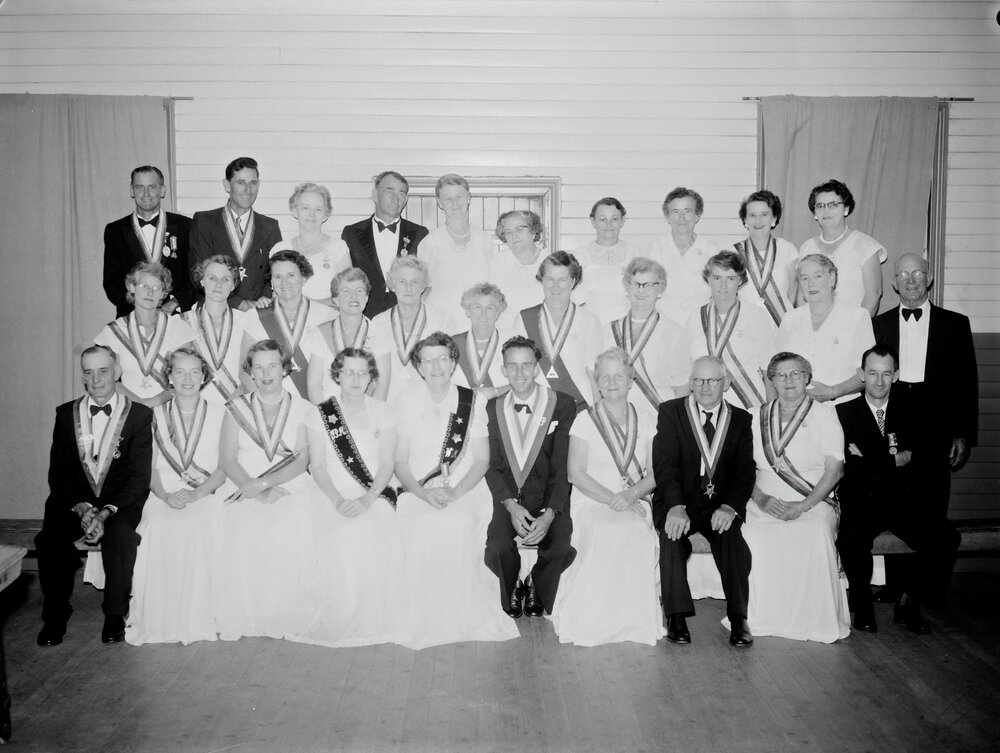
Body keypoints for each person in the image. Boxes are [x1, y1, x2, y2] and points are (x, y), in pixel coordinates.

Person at [393, 332, 519, 649]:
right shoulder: (406, 400)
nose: (436, 366)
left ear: (453, 362)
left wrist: (455, 492)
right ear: (418, 367)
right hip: (417, 489)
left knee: (457, 524)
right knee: (419, 525)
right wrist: (423, 495)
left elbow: (481, 460)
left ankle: (459, 613)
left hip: (465, 489)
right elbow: (400, 461)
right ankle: (422, 614)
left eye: (443, 358)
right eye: (427, 360)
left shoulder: (470, 400)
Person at [872, 253, 977, 606]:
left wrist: (962, 433)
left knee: (931, 506)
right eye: (904, 274)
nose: (911, 280)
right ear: (894, 283)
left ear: (929, 279)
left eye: (918, 273)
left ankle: (922, 591)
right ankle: (894, 584)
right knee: (893, 497)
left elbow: (967, 382)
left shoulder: (955, 323)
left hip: (938, 423)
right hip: (895, 416)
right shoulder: (878, 324)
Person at [835, 345, 961, 635]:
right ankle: (862, 603)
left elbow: (924, 461)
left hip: (902, 498)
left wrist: (870, 460)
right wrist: (896, 458)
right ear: (861, 375)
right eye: (872, 373)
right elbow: (849, 469)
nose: (879, 381)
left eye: (886, 374)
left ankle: (908, 601)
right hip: (862, 500)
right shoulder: (843, 414)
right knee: (851, 539)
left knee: (945, 538)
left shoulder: (913, 411)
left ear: (897, 375)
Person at [35, 345, 153, 646]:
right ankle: (55, 615)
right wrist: (83, 508)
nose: (97, 379)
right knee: (50, 540)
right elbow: (57, 473)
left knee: (121, 537)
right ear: (83, 377)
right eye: (89, 372)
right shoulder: (66, 414)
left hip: (119, 502)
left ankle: (115, 614)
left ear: (116, 372)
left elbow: (139, 478)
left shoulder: (139, 415)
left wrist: (104, 511)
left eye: (103, 371)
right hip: (74, 501)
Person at [288, 348, 402, 647]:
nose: (354, 378)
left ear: (371, 377)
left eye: (362, 372)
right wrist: (338, 501)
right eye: (348, 372)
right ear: (336, 374)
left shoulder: (385, 412)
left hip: (374, 492)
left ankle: (371, 614)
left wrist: (367, 500)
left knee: (369, 529)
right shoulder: (319, 413)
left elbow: (388, 465)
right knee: (338, 534)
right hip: (330, 493)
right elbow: (319, 466)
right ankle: (342, 612)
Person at [552, 348, 665, 646]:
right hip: (592, 500)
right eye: (605, 377)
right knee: (606, 530)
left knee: (636, 531)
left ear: (631, 380)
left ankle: (634, 620)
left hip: (635, 499)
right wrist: (612, 499)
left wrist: (630, 495)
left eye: (619, 376)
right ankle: (592, 617)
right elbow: (576, 474)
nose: (612, 382)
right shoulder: (585, 420)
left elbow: (657, 472)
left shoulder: (649, 418)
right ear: (597, 383)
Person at [214, 340, 323, 641]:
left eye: (272, 365)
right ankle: (252, 613)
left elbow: (302, 460)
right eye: (258, 367)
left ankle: (286, 611)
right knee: (244, 523)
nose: (265, 373)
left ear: (284, 368)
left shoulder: (303, 408)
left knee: (291, 520)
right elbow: (227, 459)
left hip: (290, 484)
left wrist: (266, 484)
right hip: (243, 483)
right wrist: (256, 491)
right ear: (249, 371)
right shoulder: (235, 407)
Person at [744, 352, 850, 643]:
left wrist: (804, 505)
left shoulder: (824, 414)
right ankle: (760, 618)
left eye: (795, 374)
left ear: (807, 378)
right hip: (764, 501)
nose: (788, 381)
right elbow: (742, 470)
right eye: (780, 375)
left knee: (814, 532)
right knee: (752, 535)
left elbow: (835, 470)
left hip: (813, 500)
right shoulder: (755, 417)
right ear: (772, 381)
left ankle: (818, 620)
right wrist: (761, 499)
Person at [125, 347, 228, 645]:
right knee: (157, 527)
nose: (187, 378)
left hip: (206, 493)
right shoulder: (152, 417)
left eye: (194, 371)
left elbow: (224, 468)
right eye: (179, 371)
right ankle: (158, 617)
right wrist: (166, 496)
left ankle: (200, 616)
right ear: (168, 376)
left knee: (198, 527)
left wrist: (196, 494)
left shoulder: (221, 414)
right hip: (163, 494)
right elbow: (149, 469)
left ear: (204, 377)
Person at [651, 356, 755, 647]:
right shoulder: (671, 412)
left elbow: (745, 472)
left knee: (733, 540)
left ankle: (738, 618)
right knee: (671, 537)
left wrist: (731, 506)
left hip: (718, 506)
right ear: (690, 382)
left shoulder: (741, 419)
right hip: (679, 501)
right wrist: (674, 506)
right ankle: (676, 616)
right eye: (697, 380)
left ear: (726, 383)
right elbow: (665, 464)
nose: (704, 386)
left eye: (711, 380)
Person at [484, 336, 577, 619]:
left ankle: (536, 582)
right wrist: (511, 506)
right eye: (513, 366)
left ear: (537, 367)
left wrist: (550, 514)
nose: (520, 373)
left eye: (527, 365)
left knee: (561, 546)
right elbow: (491, 465)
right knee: (497, 546)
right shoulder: (492, 408)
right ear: (503, 369)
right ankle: (512, 583)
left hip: (549, 497)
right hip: (510, 499)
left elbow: (563, 467)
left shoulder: (561, 404)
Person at [94, 261, 196, 408]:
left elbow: (186, 378)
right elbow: (106, 379)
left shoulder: (179, 329)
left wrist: (155, 402)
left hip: (170, 410)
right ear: (131, 287)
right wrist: (140, 405)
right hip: (127, 410)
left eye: (157, 288)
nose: (150, 293)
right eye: (144, 286)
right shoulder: (113, 332)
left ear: (163, 293)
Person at [513, 251, 603, 413]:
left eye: (562, 280)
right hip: (538, 407)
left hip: (580, 407)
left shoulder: (589, 320)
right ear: (542, 280)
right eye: (550, 279)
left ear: (573, 281)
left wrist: (598, 414)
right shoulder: (524, 319)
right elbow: (519, 370)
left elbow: (593, 374)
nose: (555, 286)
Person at [188, 157, 284, 311]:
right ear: (227, 185)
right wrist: (239, 303)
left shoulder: (270, 226)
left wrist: (264, 298)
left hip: (257, 309)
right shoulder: (205, 221)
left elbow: (275, 271)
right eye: (241, 183)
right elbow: (199, 272)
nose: (248, 190)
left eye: (253, 183)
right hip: (216, 308)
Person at [685, 251, 777, 411]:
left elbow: (768, 369)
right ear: (708, 279)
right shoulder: (695, 317)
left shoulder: (756, 315)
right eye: (717, 278)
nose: (723, 285)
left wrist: (771, 413)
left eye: (730, 278)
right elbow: (688, 368)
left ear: (740, 280)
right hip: (705, 406)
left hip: (749, 404)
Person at [776, 254, 874, 404]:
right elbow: (777, 370)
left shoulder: (857, 317)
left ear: (832, 278)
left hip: (844, 409)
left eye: (818, 276)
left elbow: (870, 373)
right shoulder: (790, 319)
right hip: (798, 410)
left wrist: (834, 391)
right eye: (804, 278)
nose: (811, 284)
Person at [103, 165, 194, 317]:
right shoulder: (115, 230)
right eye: (139, 187)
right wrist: (139, 305)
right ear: (132, 190)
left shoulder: (185, 226)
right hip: (132, 315)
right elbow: (112, 283)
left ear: (162, 190)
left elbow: (192, 277)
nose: (146, 193)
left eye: (152, 187)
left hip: (174, 316)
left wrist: (176, 302)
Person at [243, 250, 335, 399]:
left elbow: (335, 371)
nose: (284, 282)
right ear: (271, 282)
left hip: (317, 404)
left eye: (291, 275)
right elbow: (245, 372)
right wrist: (265, 406)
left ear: (303, 277)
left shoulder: (327, 316)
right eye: (277, 277)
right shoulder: (255, 317)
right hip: (271, 404)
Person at [606, 257, 691, 418]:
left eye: (648, 285)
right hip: (617, 416)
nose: (641, 290)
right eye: (635, 284)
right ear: (627, 287)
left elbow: (683, 385)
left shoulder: (674, 332)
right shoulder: (608, 331)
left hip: (659, 417)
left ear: (660, 290)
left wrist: (677, 425)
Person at [340, 170, 429, 318]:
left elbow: (427, 281)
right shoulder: (352, 233)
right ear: (375, 195)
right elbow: (346, 280)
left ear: (406, 199)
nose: (396, 198)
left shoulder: (420, 234)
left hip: (406, 314)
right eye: (390, 191)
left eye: (402, 193)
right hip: (365, 314)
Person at [370, 256, 455, 406]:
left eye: (415, 282)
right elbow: (374, 378)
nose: (408, 287)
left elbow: (449, 374)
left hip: (429, 406)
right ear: (392, 285)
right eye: (402, 281)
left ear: (423, 286)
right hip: (388, 406)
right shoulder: (377, 323)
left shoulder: (443, 322)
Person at [797, 179, 886, 316]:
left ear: (846, 209)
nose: (826, 211)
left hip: (852, 330)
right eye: (820, 206)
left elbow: (874, 294)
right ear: (815, 213)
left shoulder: (865, 245)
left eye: (833, 205)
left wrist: (853, 331)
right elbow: (801, 296)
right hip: (814, 330)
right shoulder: (807, 247)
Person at [302, 267, 388, 404]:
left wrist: (371, 419)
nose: (354, 297)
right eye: (346, 291)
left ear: (366, 298)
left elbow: (382, 385)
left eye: (359, 291)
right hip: (330, 417)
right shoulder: (319, 334)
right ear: (335, 299)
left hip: (368, 417)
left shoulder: (380, 333)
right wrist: (331, 422)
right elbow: (314, 385)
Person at [419, 174, 494, 324]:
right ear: (440, 203)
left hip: (479, 322)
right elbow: (422, 289)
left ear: (468, 198)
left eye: (459, 197)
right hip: (442, 322)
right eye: (448, 199)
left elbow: (491, 285)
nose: (455, 204)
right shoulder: (431, 242)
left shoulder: (484, 238)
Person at [183, 255, 254, 406]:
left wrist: (232, 407)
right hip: (195, 408)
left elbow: (249, 375)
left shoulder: (247, 322)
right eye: (212, 278)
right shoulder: (183, 322)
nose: (218, 284)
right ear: (202, 280)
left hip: (236, 405)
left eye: (225, 279)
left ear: (233, 285)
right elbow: (178, 374)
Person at [646, 187, 718, 326]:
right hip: (663, 323)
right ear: (667, 217)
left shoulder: (710, 249)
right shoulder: (655, 249)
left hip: (701, 322)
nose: (681, 218)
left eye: (688, 211)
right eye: (675, 212)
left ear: (697, 215)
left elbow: (718, 290)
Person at [268, 182, 350, 304]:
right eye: (305, 208)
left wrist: (307, 306)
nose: (312, 214)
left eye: (318, 209)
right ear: (295, 211)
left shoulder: (338, 248)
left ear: (325, 215)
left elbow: (347, 293)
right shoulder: (280, 249)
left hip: (327, 318)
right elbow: (276, 294)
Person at [732, 189, 797, 326]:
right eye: (752, 215)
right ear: (745, 220)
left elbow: (793, 292)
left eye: (764, 214)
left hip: (781, 325)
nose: (758, 220)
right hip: (746, 326)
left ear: (774, 218)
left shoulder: (788, 249)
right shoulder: (733, 253)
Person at [571, 197, 639, 325]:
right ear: (593, 222)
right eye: (602, 219)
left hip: (627, 326)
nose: (609, 224)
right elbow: (572, 297)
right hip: (590, 326)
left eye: (614, 219)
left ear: (622, 221)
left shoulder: (635, 255)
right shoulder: (578, 256)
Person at [452, 282, 510, 400]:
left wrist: (496, 391)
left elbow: (525, 383)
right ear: (468, 311)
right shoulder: (451, 344)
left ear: (498, 313)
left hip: (503, 411)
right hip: (462, 413)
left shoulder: (512, 343)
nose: (483, 314)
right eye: (477, 307)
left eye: (490, 308)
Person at [490, 210, 546, 330]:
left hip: (542, 332)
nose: (513, 236)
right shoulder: (498, 262)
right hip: (507, 334)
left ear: (533, 230)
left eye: (519, 229)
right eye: (508, 232)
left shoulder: (551, 261)